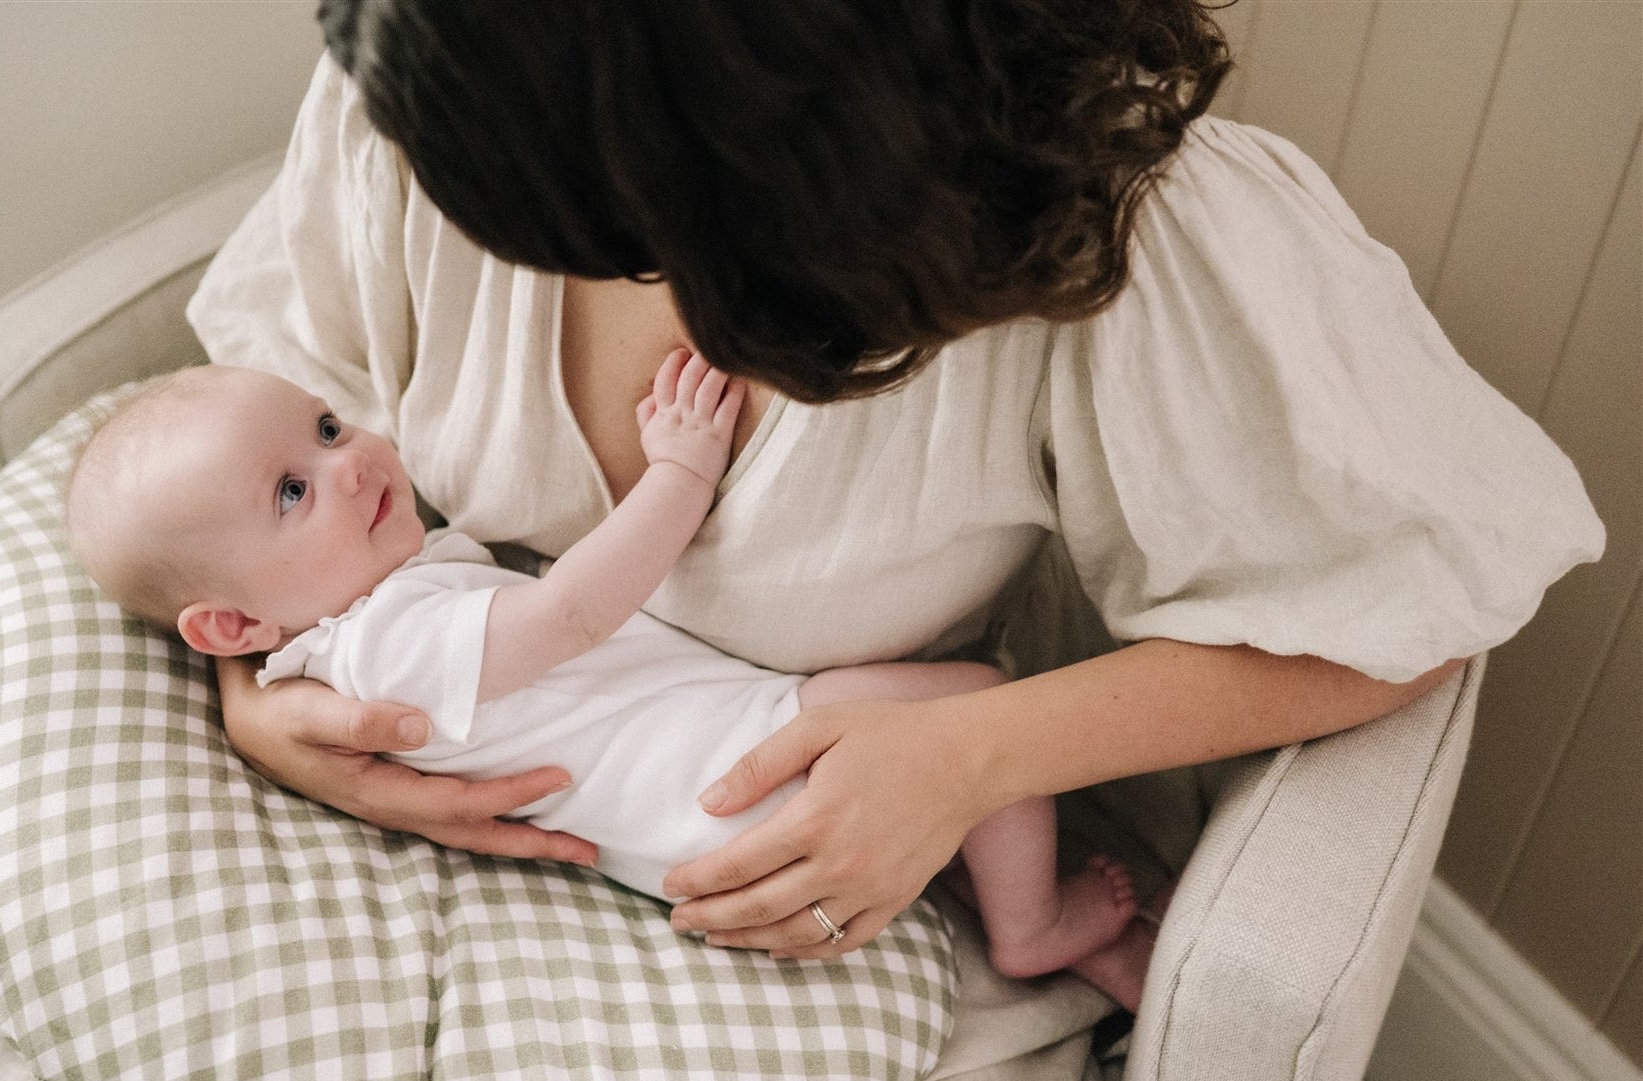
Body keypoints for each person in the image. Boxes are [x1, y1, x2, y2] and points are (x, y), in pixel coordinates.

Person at [190, 1, 1602, 973]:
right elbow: (250, 448)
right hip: (536, 843)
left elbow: (1410, 605)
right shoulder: (445, 88)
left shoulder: (1133, 246)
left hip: (869, 870)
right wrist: (276, 707)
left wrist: (972, 755)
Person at [67, 354, 1150, 1003]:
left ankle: (980, 876)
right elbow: (574, 611)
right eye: (293, 491)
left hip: (704, 809)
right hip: (736, 779)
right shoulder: (381, 647)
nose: (350, 461)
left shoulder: (351, 627)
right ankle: (1030, 926)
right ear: (234, 623)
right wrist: (680, 468)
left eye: (326, 425)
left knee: (927, 733)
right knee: (969, 701)